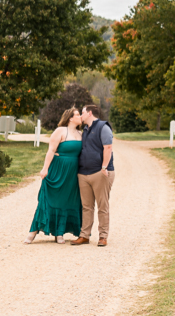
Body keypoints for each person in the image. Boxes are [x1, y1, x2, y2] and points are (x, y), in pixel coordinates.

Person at [25, 107, 84, 244]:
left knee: (67, 200)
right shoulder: (60, 131)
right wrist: (45, 168)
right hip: (59, 169)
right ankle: (33, 232)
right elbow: (51, 150)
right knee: (51, 199)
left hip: (73, 172)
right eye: (77, 114)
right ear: (70, 118)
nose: (80, 116)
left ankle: (60, 232)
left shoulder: (81, 133)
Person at [72, 104, 114, 247]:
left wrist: (104, 167)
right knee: (86, 206)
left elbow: (108, 147)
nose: (80, 116)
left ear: (89, 113)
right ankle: (84, 235)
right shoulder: (85, 129)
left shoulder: (103, 127)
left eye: (82, 113)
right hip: (84, 173)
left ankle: (103, 236)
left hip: (99, 172)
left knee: (102, 205)